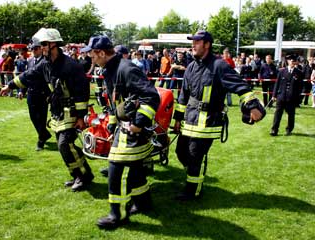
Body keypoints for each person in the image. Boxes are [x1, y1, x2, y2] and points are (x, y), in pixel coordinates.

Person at [173, 30, 265, 201]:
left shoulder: (219, 66)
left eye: (197, 42)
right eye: (192, 42)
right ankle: (195, 172)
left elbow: (241, 86)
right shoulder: (191, 67)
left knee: (194, 155)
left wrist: (252, 106)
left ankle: (193, 191)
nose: (193, 45)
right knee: (181, 152)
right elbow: (182, 97)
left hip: (207, 122)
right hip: (189, 120)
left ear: (207, 44)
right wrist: (177, 119)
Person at [0, 28, 94, 191]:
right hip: (57, 111)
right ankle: (81, 175)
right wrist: (10, 85)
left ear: (53, 44)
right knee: (63, 145)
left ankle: (82, 176)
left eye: (43, 44)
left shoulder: (71, 66)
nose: (40, 47)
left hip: (71, 111)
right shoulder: (45, 64)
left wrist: (81, 117)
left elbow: (82, 92)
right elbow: (28, 75)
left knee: (65, 144)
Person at [82, 35, 160, 229]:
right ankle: (143, 202)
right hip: (125, 127)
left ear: (101, 53)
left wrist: (139, 123)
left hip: (133, 129)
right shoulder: (111, 70)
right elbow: (119, 102)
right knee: (135, 169)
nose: (89, 58)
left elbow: (151, 96)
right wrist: (112, 123)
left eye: (91, 54)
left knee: (117, 169)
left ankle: (117, 215)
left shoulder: (126, 68)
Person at [19, 37, 52, 151]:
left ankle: (41, 141)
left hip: (43, 94)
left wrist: (50, 94)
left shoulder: (46, 61)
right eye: (33, 48)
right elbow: (27, 77)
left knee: (42, 118)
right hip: (32, 93)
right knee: (33, 117)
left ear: (41, 49)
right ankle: (45, 134)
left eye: (36, 48)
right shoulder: (30, 61)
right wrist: (22, 91)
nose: (34, 50)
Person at [270, 54, 303, 136]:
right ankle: (274, 130)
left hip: (292, 98)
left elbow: (300, 87)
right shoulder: (282, 71)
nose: (292, 62)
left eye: (293, 61)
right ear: (288, 61)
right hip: (281, 96)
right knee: (277, 114)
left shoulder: (299, 73)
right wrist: (274, 95)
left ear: (295, 62)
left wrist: (298, 98)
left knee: (291, 115)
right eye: (290, 60)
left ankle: (289, 129)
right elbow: (277, 84)